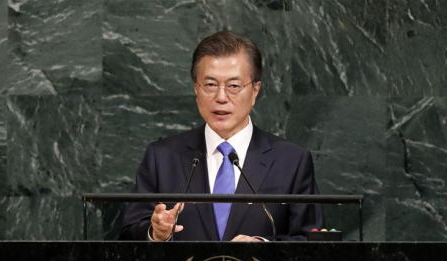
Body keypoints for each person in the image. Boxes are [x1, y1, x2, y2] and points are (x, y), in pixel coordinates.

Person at [120, 31, 323, 242]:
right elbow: (127, 237)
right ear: (196, 89)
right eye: (210, 85)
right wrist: (155, 234)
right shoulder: (161, 157)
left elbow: (312, 242)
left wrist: (265, 246)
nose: (221, 97)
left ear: (255, 90)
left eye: (234, 86)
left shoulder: (292, 161)